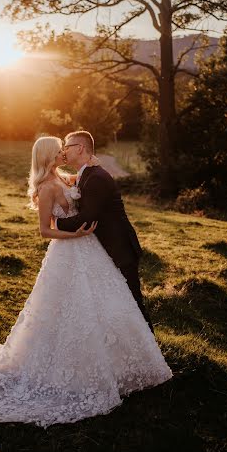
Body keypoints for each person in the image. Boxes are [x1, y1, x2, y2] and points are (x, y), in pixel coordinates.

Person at [0, 136, 172, 429]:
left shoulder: (68, 176)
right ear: (50, 155)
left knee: (103, 302)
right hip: (68, 250)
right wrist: (72, 234)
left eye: (67, 148)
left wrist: (92, 163)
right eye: (59, 149)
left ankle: (117, 358)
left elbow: (86, 181)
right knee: (68, 308)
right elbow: (44, 230)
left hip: (91, 252)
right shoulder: (46, 187)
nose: (63, 152)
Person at [57, 130, 154, 332]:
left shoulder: (96, 177)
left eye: (67, 146)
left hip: (120, 249)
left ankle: (151, 353)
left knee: (133, 303)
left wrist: (56, 224)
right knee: (117, 304)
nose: (64, 151)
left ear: (80, 148)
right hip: (107, 249)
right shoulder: (86, 173)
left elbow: (87, 218)